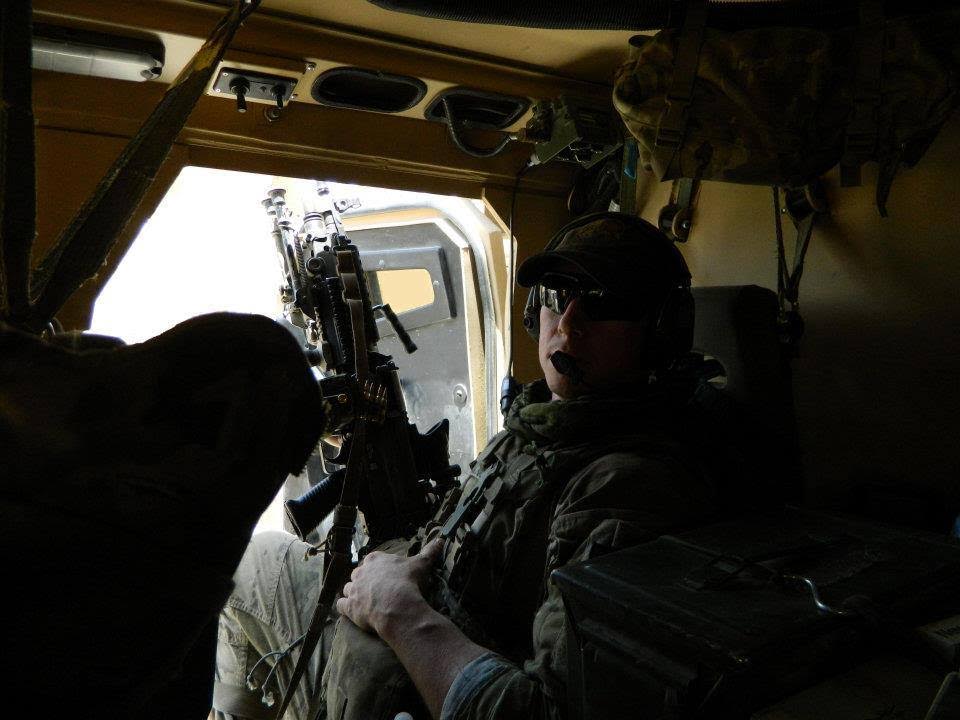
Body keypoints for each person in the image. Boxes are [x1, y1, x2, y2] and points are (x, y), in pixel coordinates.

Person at [211, 212, 719, 720]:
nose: (566, 323)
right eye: (556, 296)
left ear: (659, 332)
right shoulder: (542, 425)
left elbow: (545, 712)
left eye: (602, 304)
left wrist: (396, 610)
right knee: (253, 560)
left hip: (411, 673)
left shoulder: (628, 488)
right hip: (387, 641)